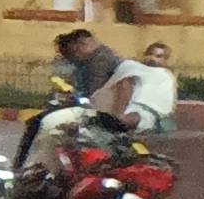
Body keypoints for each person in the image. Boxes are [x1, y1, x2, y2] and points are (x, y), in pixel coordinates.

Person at [12, 27, 123, 170]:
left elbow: (94, 91)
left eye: (75, 52)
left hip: (98, 110)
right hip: (97, 107)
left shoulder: (100, 61)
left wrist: (73, 100)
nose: (75, 57)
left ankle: (24, 165)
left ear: (82, 44)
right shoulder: (99, 58)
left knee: (40, 123)